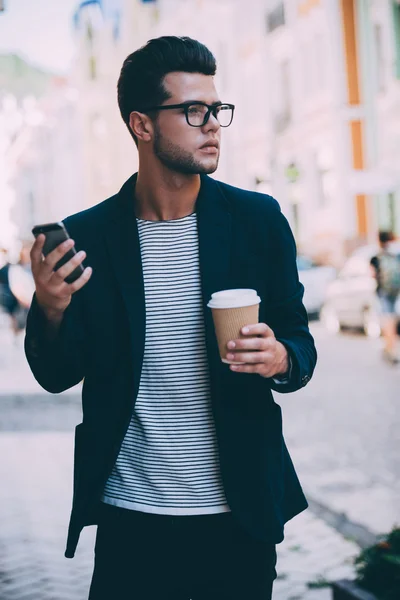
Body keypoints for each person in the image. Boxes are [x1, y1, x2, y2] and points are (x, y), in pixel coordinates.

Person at [25, 37, 317, 600]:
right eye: (193, 111)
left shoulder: (257, 221)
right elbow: (57, 373)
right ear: (142, 125)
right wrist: (53, 307)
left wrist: (281, 357)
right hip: (129, 514)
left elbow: (299, 343)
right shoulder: (90, 237)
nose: (212, 125)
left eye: (216, 109)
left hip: (239, 515)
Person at [370, 231, 400, 364]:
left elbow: (372, 275)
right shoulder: (396, 255)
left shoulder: (376, 257)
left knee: (387, 321)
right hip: (395, 291)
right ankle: (390, 348)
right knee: (392, 319)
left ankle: (391, 349)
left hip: (383, 292)